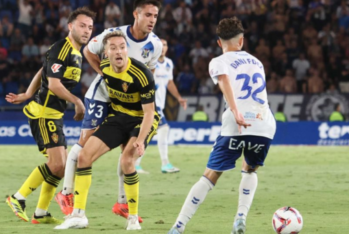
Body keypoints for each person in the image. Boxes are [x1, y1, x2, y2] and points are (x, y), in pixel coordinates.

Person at [54, 0, 163, 224]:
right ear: (136, 14)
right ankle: (66, 194)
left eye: (155, 16)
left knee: (127, 155)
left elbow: (148, 79)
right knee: (85, 144)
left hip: (132, 107)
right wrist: (106, 76)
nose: (152, 20)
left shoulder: (156, 45)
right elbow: (88, 51)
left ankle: (123, 203)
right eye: (148, 15)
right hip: (104, 95)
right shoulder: (114, 35)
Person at [168, 17, 276, 234]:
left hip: (236, 124)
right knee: (249, 168)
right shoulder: (257, 62)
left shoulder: (218, 62)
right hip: (264, 125)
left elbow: (225, 81)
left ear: (219, 42)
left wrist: (235, 111)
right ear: (242, 40)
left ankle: (178, 227)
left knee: (211, 175)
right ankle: (240, 218)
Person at [5, 7, 95, 224]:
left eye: (90, 27)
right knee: (57, 165)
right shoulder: (62, 48)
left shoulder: (75, 51)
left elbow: (43, 69)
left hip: (54, 114)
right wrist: (77, 101)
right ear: (70, 26)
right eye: (82, 26)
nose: (86, 31)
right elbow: (54, 84)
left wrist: (27, 92)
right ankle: (18, 197)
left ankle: (41, 212)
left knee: (61, 166)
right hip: (44, 114)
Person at [135, 38, 187, 174]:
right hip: (151, 103)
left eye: (165, 45)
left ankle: (135, 163)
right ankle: (164, 164)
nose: (163, 48)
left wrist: (179, 98)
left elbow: (169, 83)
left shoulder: (169, 63)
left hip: (160, 104)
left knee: (147, 132)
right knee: (162, 129)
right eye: (161, 45)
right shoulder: (150, 62)